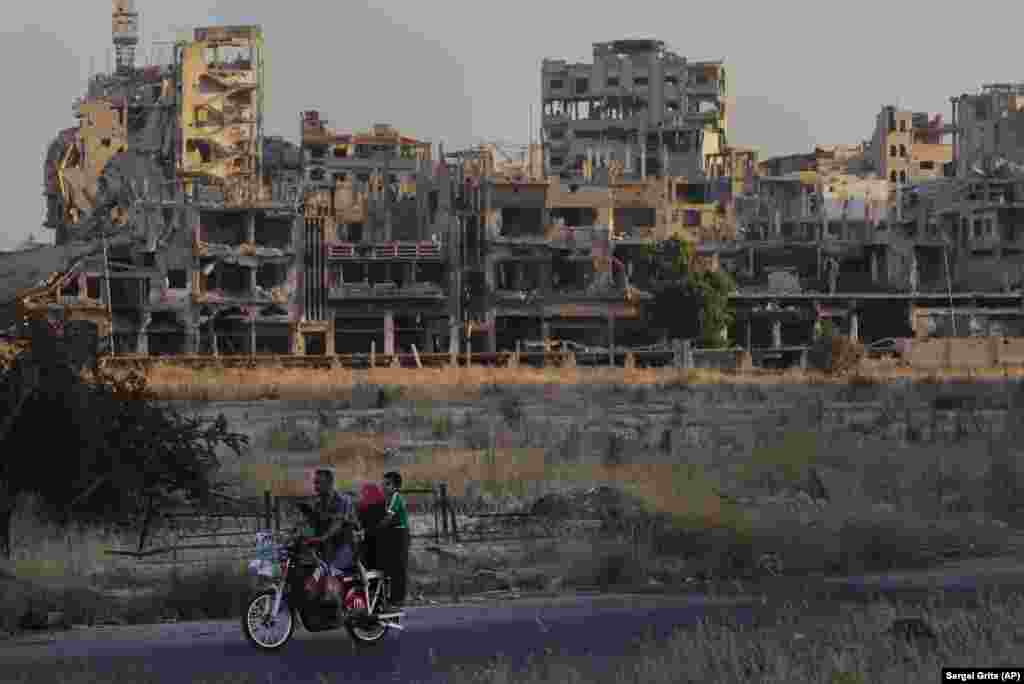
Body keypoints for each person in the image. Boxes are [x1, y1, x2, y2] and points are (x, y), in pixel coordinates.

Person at [306, 468, 357, 610]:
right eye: (314, 483)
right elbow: (309, 525)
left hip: (347, 546)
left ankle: (338, 608)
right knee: (312, 573)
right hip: (328, 547)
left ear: (329, 484)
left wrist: (322, 538)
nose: (315, 486)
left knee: (330, 570)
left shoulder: (343, 501)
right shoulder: (318, 504)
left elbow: (337, 524)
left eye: (318, 483)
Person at [377, 471, 410, 609]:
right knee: (390, 566)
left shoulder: (396, 498)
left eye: (388, 484)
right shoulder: (386, 499)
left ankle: (398, 599)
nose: (384, 487)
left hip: (400, 534)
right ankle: (390, 597)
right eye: (383, 484)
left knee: (399, 567)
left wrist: (373, 528)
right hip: (393, 533)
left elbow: (388, 519)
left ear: (396, 487)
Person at [357, 481, 387, 570]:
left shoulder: (362, 507)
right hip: (381, 541)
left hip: (368, 540)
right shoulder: (383, 505)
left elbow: (360, 523)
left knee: (369, 565)